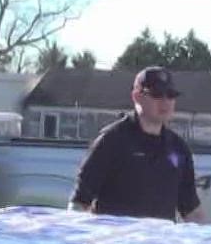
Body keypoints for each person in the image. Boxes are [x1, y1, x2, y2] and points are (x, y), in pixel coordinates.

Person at [70, 67, 203, 221]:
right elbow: (79, 203)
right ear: (136, 97)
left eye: (171, 95)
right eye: (157, 94)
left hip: (160, 242)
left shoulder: (178, 148)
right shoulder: (112, 141)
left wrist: (208, 242)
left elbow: (191, 209)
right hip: (116, 241)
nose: (165, 101)